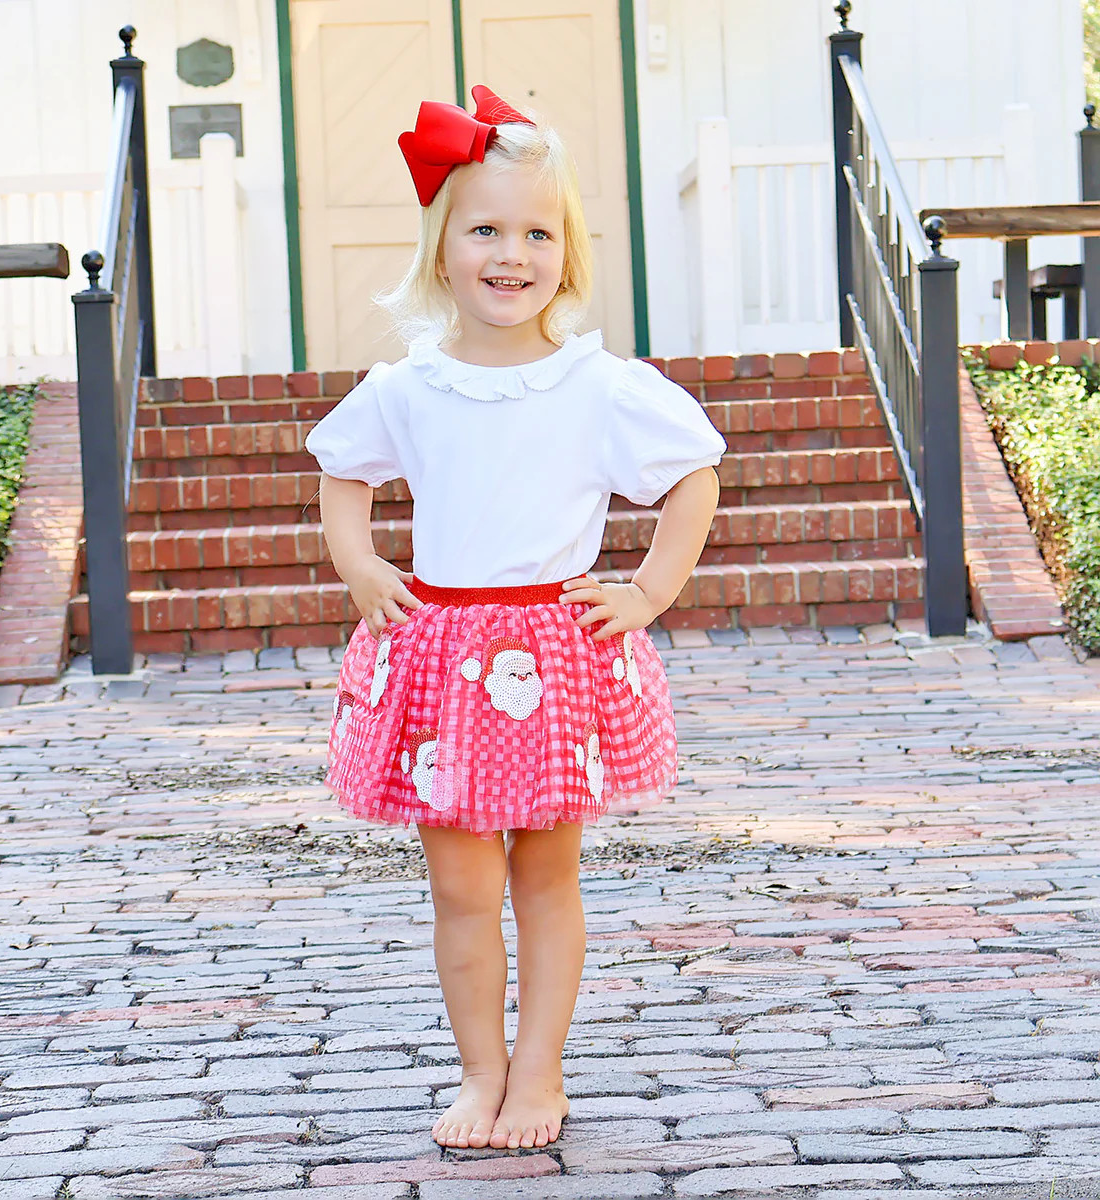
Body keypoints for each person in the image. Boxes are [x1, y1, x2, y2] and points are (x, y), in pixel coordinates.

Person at [304, 84, 725, 1152]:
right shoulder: (411, 386)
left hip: (552, 653)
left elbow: (694, 475)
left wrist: (649, 590)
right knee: (459, 884)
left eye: (538, 233)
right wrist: (360, 563)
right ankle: (479, 1071)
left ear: (568, 251)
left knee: (545, 873)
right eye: (485, 230)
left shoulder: (597, 385)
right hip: (444, 655)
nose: (511, 254)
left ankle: (540, 1072)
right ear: (442, 248)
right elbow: (344, 472)